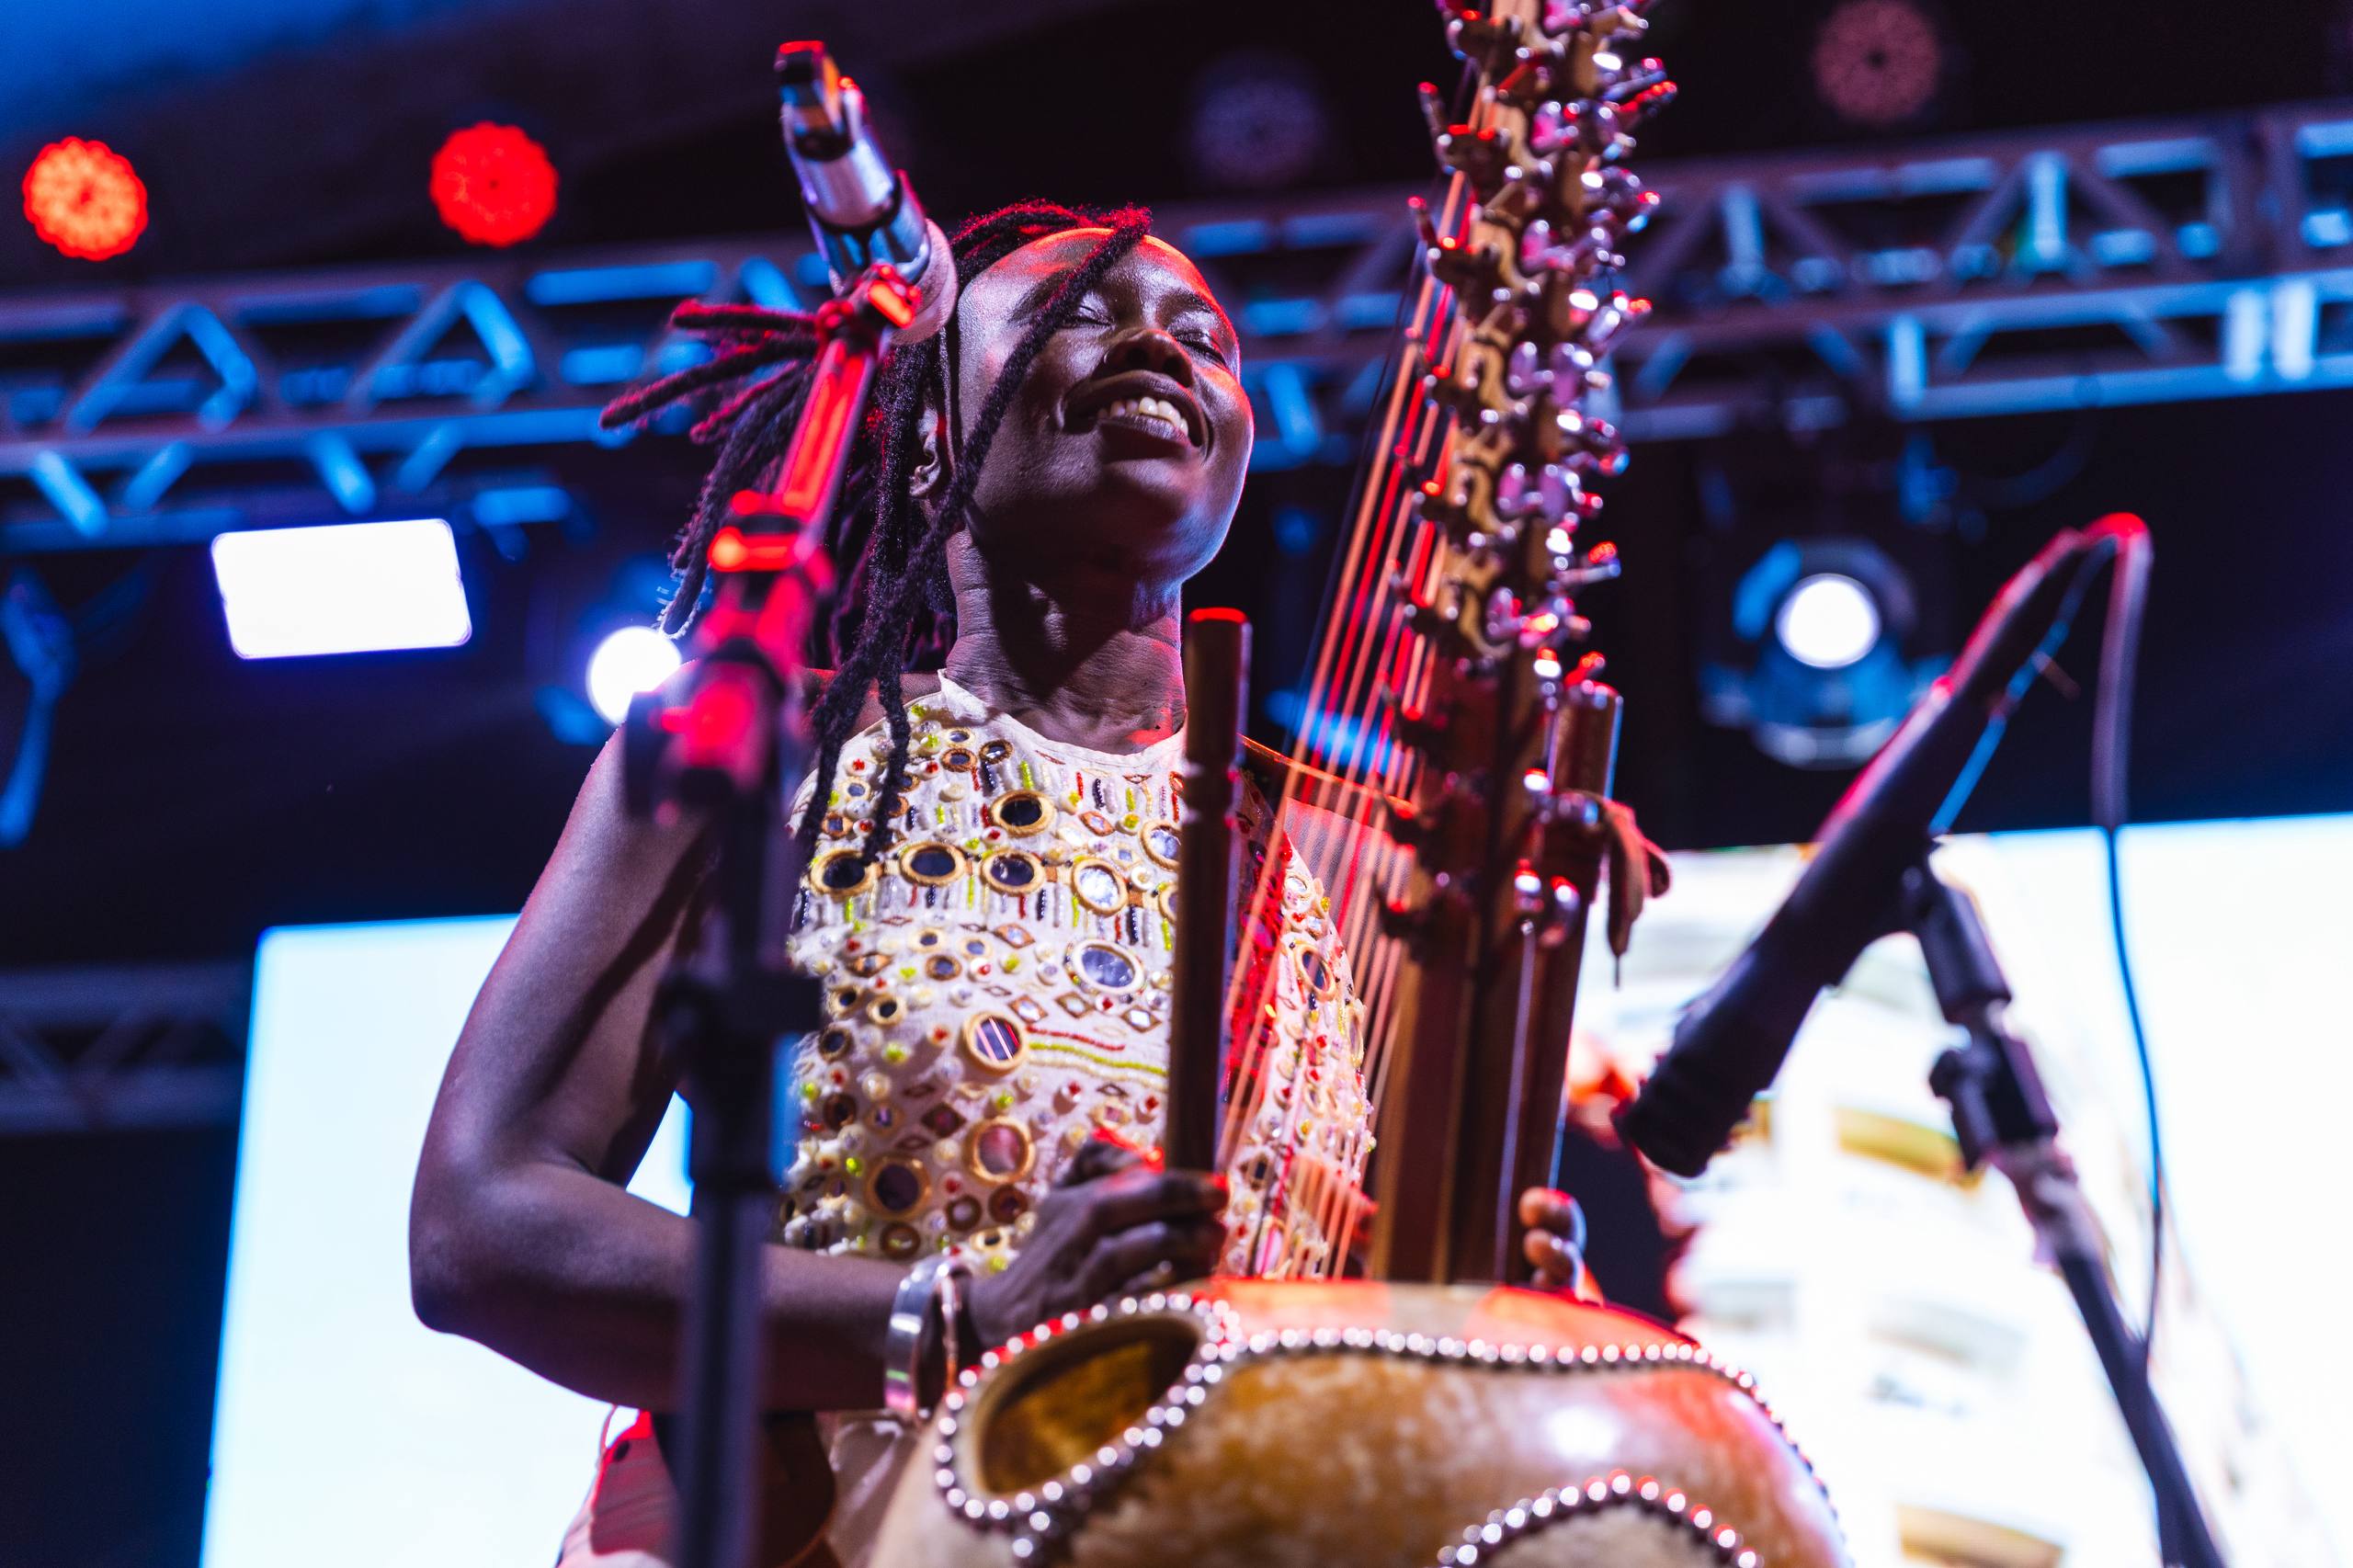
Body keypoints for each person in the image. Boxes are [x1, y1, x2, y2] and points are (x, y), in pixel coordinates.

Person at [407, 200, 1591, 1568]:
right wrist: (953, 1316)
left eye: (1203, 339)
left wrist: (1501, 1311)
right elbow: (480, 1219)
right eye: (1077, 316)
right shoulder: (753, 763)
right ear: (929, 436)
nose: (1155, 346)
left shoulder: (1341, 865)